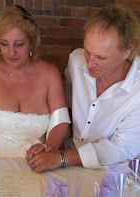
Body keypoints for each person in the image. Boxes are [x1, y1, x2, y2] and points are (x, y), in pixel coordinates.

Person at [0, 5, 70, 177]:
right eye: (4, 44)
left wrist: (49, 148)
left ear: (31, 42)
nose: (11, 52)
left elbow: (61, 122)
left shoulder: (49, 74)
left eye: (19, 44)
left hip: (37, 161)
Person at [27, 4, 140, 172]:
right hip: (66, 158)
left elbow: (121, 148)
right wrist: (49, 147)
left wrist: (62, 157)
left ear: (127, 52)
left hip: (113, 170)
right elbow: (68, 109)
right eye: (87, 51)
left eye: (101, 57)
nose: (90, 62)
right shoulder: (76, 61)